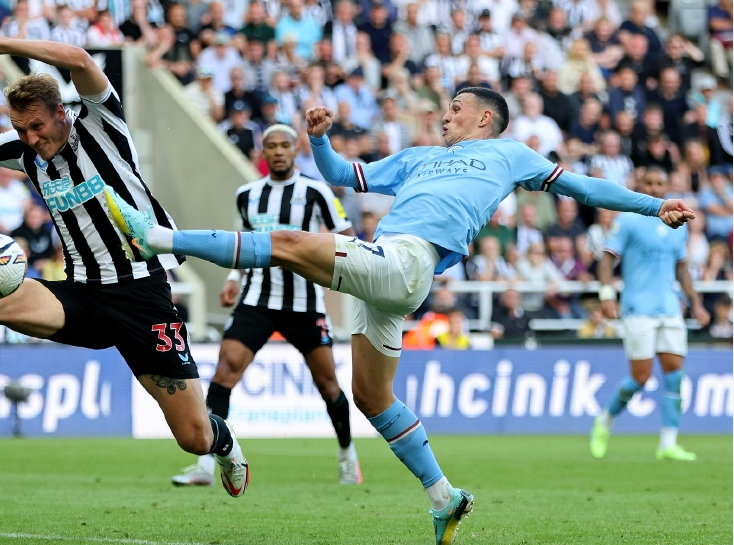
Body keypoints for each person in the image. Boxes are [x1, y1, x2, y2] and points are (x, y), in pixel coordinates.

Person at [104, 87, 696, 545]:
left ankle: (160, 238)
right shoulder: (419, 157)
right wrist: (320, 141)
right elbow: (343, 177)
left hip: (407, 262)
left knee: (285, 241)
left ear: (485, 118)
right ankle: (443, 497)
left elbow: (586, 189)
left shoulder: (509, 153)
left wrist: (652, 205)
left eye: (457, 109)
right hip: (383, 277)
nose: (447, 116)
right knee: (372, 397)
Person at [0, 24, 249, 498]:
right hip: (82, 295)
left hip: (141, 294)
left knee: (192, 435)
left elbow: (78, 59)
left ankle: (227, 442)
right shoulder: (25, 152)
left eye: (37, 126)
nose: (30, 139)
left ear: (61, 113)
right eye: (20, 130)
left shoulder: (102, 124)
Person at [171, 124, 362, 489]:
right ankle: (204, 466)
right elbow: (241, 246)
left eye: (284, 146)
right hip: (257, 300)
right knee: (224, 372)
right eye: (270, 146)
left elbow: (347, 239)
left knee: (328, 385)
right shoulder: (247, 195)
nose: (277, 151)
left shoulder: (317, 191)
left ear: (294, 150)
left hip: (305, 303)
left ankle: (347, 456)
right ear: (263, 152)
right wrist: (231, 281)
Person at [590, 167, 711, 462]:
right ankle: (605, 420)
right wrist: (607, 295)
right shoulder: (628, 220)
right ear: (640, 185)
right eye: (649, 183)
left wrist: (695, 302)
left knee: (674, 375)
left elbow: (681, 267)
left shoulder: (676, 223)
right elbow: (606, 262)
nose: (655, 188)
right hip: (637, 307)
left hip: (669, 307)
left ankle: (668, 443)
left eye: (660, 183)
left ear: (667, 186)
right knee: (641, 378)